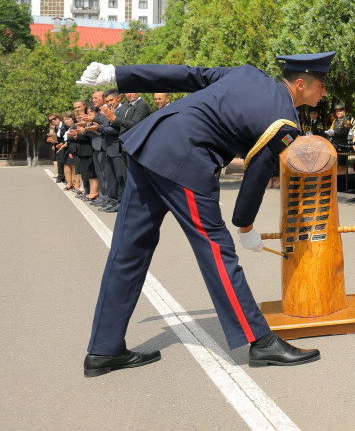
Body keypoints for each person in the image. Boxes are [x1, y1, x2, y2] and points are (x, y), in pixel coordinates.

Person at [76, 52, 335, 377]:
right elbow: (256, 177)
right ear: (301, 84)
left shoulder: (246, 72)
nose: (325, 92)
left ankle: (104, 348)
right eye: (322, 86)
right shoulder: (284, 122)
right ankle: (261, 341)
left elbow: (187, 75)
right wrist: (245, 227)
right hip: (185, 159)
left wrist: (118, 72)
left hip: (150, 143)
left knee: (128, 250)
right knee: (216, 251)